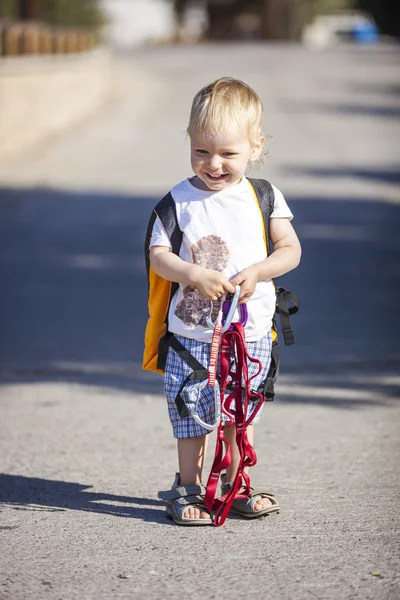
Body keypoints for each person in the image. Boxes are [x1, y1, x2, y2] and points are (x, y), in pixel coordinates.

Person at [148, 77, 301, 525]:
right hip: (191, 334)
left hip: (249, 332)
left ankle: (236, 485)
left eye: (228, 154)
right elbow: (159, 257)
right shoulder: (178, 202)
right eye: (201, 151)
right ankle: (188, 489)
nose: (213, 164)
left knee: (240, 412)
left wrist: (259, 271)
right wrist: (191, 273)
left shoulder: (263, 197)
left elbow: (289, 250)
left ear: (256, 147)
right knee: (193, 413)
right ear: (190, 144)